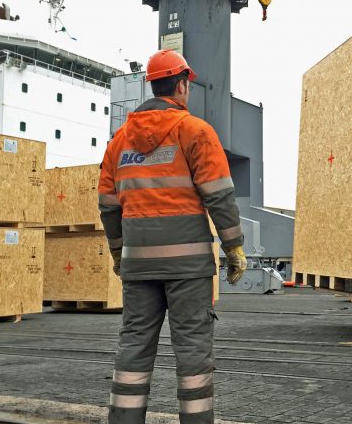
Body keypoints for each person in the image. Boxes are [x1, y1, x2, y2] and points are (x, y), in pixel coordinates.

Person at [99, 49, 247, 424]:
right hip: (188, 266)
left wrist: (118, 253)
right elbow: (219, 194)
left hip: (138, 266)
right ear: (182, 85)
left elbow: (108, 206)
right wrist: (234, 248)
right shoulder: (195, 131)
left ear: (152, 84)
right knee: (193, 349)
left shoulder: (118, 142)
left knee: (134, 344)